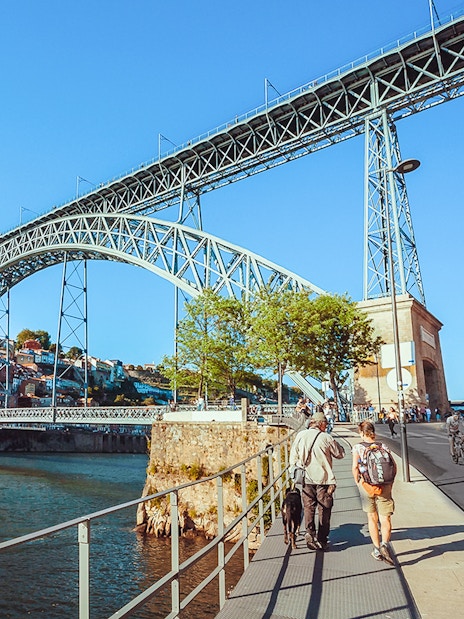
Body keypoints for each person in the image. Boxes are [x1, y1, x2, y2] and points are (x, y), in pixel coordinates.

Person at [289, 410, 345, 551]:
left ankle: (310, 532)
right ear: (321, 424)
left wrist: (295, 470)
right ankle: (322, 538)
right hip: (324, 480)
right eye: (325, 424)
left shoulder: (300, 435)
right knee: (324, 509)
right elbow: (340, 454)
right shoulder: (326, 437)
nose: (326, 426)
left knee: (309, 507)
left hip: (306, 478)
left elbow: (293, 457)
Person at [352, 420, 397, 565]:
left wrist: (358, 482)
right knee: (386, 518)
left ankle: (377, 550)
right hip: (385, 485)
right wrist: (391, 482)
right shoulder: (383, 446)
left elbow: (355, 468)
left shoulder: (358, 447)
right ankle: (385, 544)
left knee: (372, 517)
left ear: (361, 433)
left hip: (367, 485)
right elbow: (394, 465)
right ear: (373, 433)